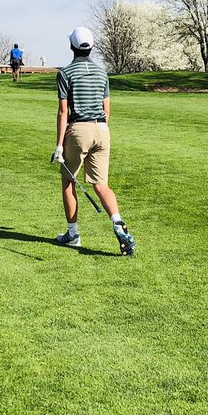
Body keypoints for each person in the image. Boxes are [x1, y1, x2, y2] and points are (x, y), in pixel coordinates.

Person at [50, 26, 135, 255]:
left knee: (68, 181)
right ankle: (118, 222)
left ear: (72, 47)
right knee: (101, 184)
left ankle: (72, 234)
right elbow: (107, 109)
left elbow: (63, 112)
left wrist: (59, 145)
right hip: (102, 129)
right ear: (92, 47)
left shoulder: (65, 73)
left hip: (79, 130)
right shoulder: (101, 73)